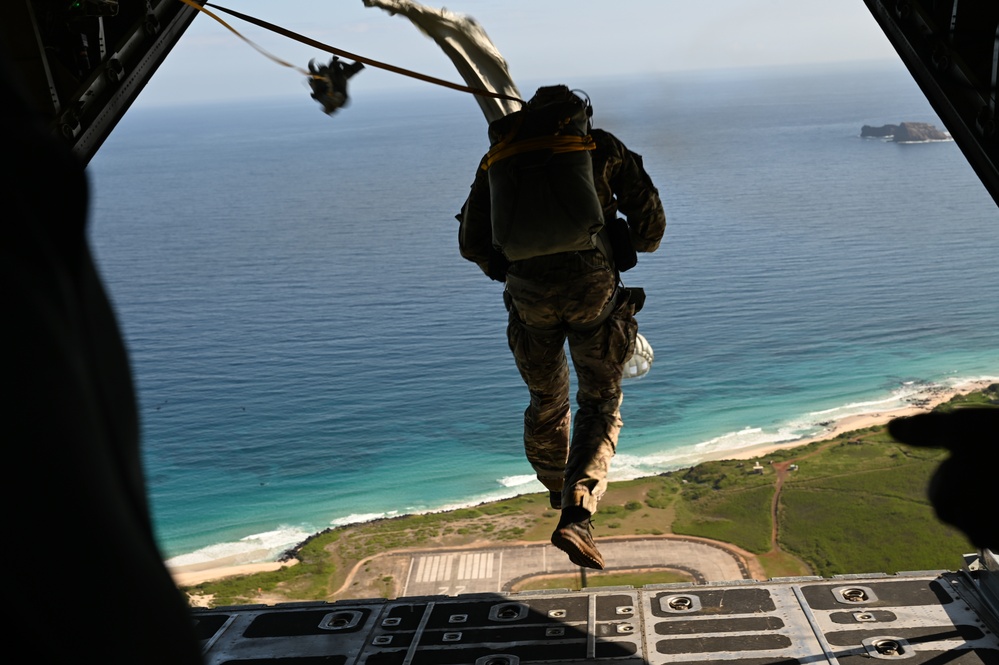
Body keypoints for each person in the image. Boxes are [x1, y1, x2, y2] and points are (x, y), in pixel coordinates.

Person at [458, 85, 666, 569]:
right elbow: (651, 231)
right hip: (593, 289)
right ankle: (578, 510)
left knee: (546, 399)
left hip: (528, 296)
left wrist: (511, 268)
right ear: (579, 116)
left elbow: (472, 243)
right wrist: (622, 243)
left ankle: (556, 485)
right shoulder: (602, 147)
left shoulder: (498, 157)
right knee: (599, 399)